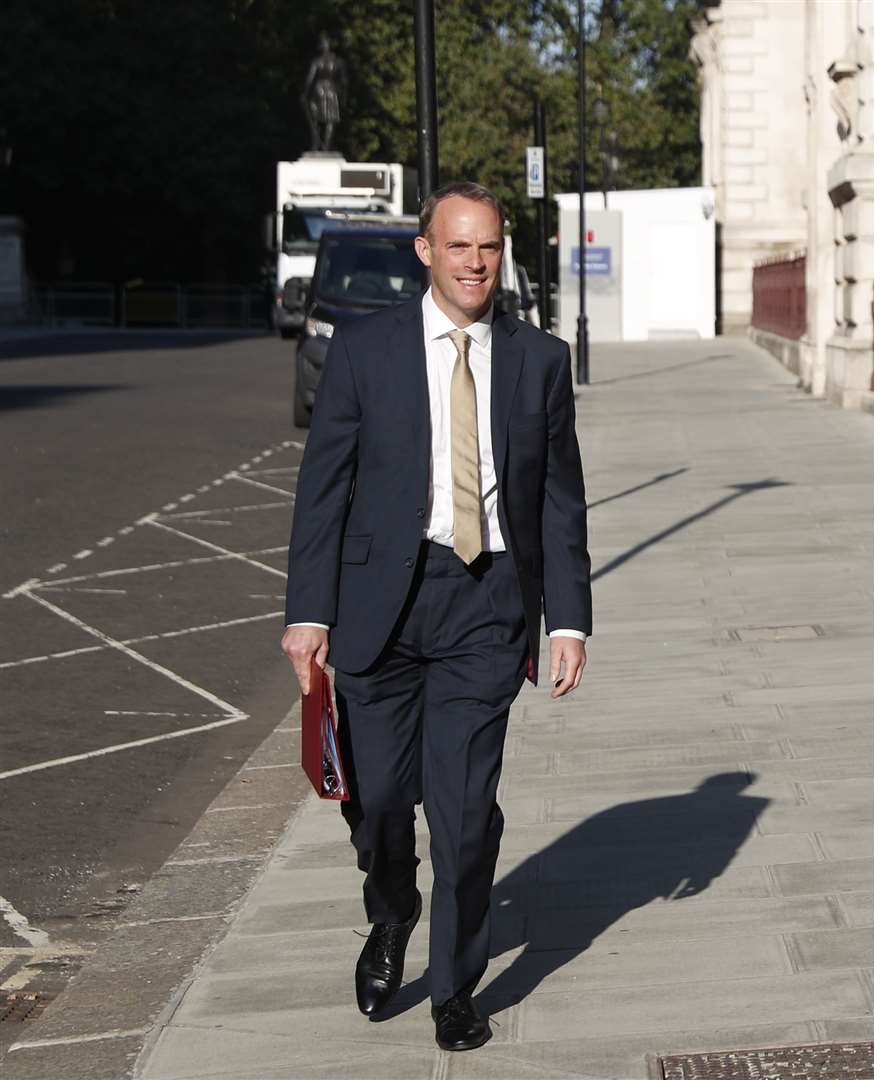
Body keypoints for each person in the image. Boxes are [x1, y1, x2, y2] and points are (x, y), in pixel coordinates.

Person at [280, 182, 592, 1050]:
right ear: (425, 251)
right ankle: (391, 908)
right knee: (381, 801)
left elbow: (559, 501)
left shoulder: (539, 359)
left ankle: (456, 985)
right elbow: (323, 492)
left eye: (488, 247)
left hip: (485, 603)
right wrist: (308, 611)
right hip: (380, 602)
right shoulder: (365, 350)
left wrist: (567, 620)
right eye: (458, 246)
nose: (475, 263)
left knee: (461, 813)